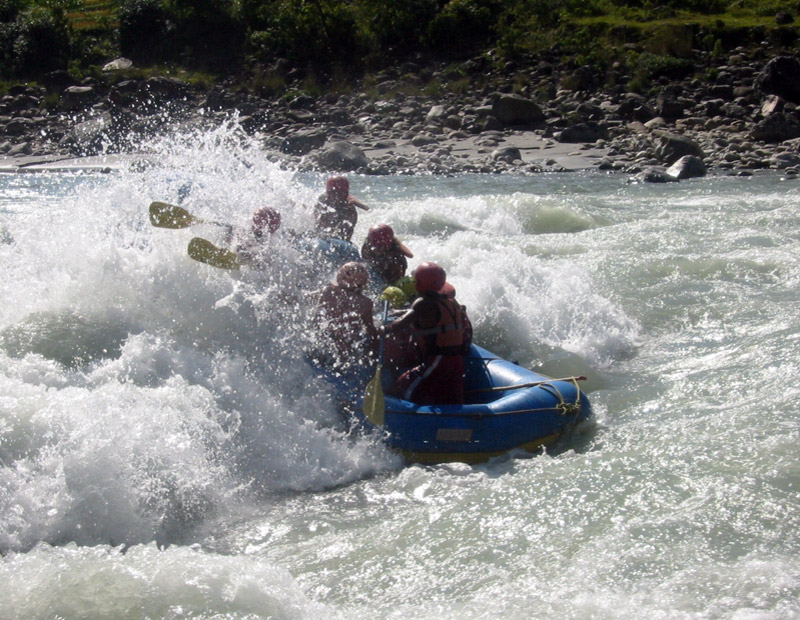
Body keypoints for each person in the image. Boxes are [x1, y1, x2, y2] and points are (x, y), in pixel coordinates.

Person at [380, 261, 467, 405]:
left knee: (402, 386)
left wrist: (383, 329)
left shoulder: (422, 303)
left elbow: (402, 323)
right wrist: (401, 311)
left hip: (438, 360)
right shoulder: (451, 302)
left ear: (419, 282)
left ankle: (404, 419)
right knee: (453, 399)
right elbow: (424, 313)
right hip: (457, 361)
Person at [312, 261, 377, 371]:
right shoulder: (366, 303)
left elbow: (304, 297)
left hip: (320, 341)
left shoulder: (327, 290)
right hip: (343, 350)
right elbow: (371, 331)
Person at [313, 176, 368, 242]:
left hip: (342, 218)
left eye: (341, 193)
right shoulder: (322, 200)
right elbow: (317, 221)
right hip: (323, 225)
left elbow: (366, 208)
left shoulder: (349, 206)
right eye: (334, 193)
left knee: (346, 223)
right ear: (328, 192)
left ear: (346, 193)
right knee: (322, 220)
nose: (337, 196)